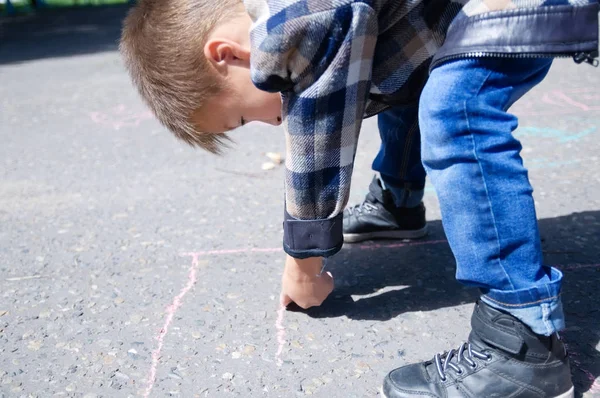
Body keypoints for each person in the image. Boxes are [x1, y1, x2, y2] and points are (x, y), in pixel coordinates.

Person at [119, 0, 599, 396]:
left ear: (227, 54)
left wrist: (302, 262)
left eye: (242, 119)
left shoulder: (297, 18)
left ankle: (521, 337)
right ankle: (398, 200)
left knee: (456, 110)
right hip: (447, 20)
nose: (269, 123)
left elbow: (320, 134)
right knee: (408, 78)